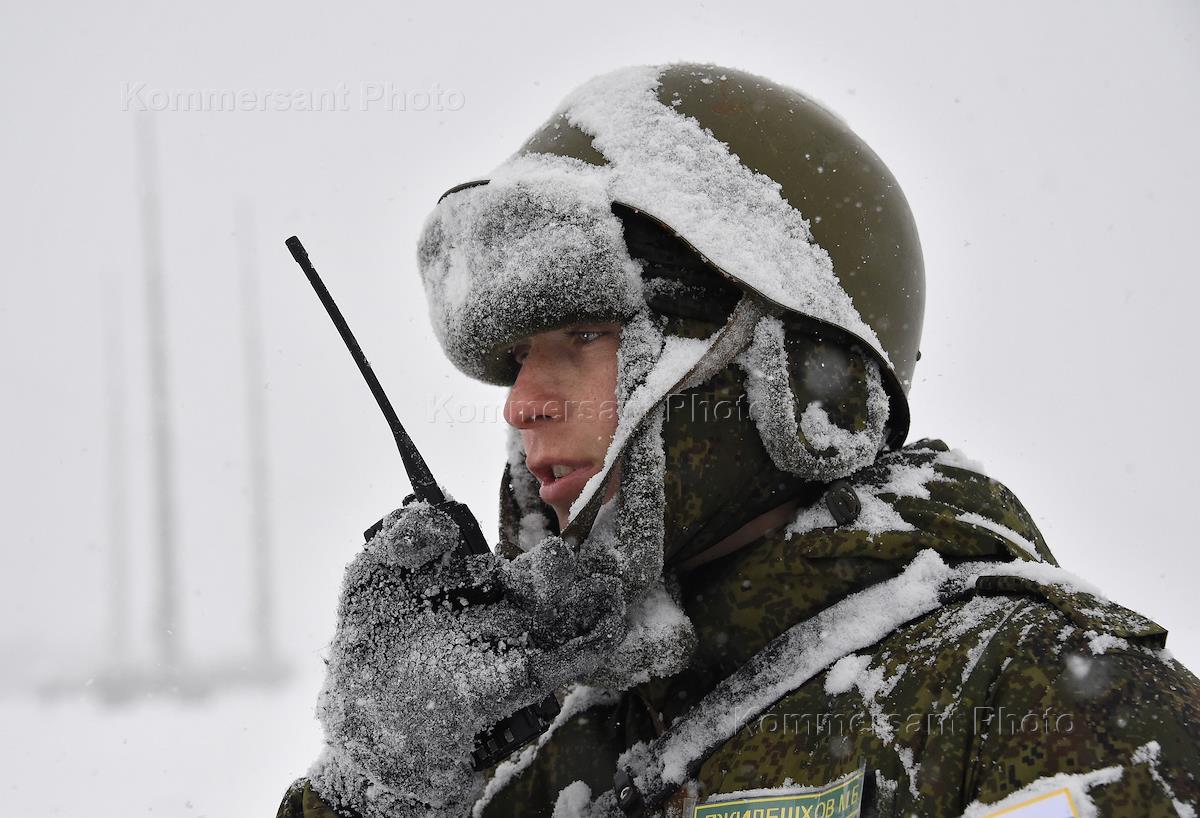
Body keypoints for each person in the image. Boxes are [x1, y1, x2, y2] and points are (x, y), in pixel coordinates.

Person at [277, 63, 1200, 818]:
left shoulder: (1030, 699)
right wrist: (378, 785)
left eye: (584, 338)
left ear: (794, 377)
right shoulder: (535, 757)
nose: (520, 405)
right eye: (518, 357)